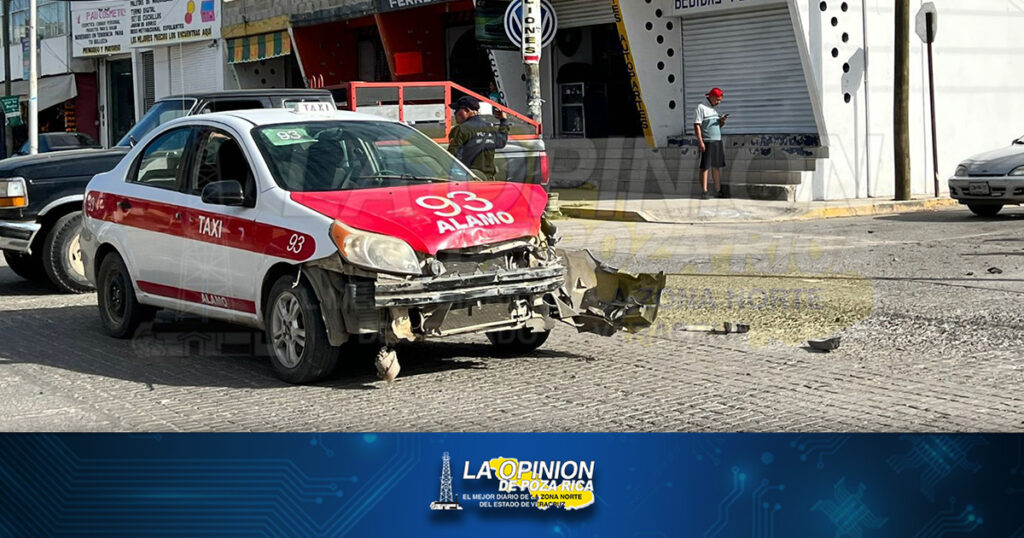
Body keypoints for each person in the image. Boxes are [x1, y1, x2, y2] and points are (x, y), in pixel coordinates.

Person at [447, 95, 509, 181]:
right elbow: (501, 142)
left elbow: (452, 157)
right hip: (489, 180)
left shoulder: (460, 130)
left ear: (466, 110)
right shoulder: (490, 127)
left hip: (470, 180)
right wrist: (503, 121)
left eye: (457, 110)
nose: (455, 114)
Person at [694, 87, 729, 199]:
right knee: (705, 167)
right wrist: (700, 141)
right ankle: (704, 191)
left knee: (716, 166)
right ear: (711, 97)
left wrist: (722, 122)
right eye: (717, 100)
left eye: (720, 100)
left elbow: (717, 126)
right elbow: (697, 125)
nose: (718, 102)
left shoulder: (714, 110)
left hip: (717, 141)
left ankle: (718, 191)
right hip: (707, 141)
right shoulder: (701, 107)